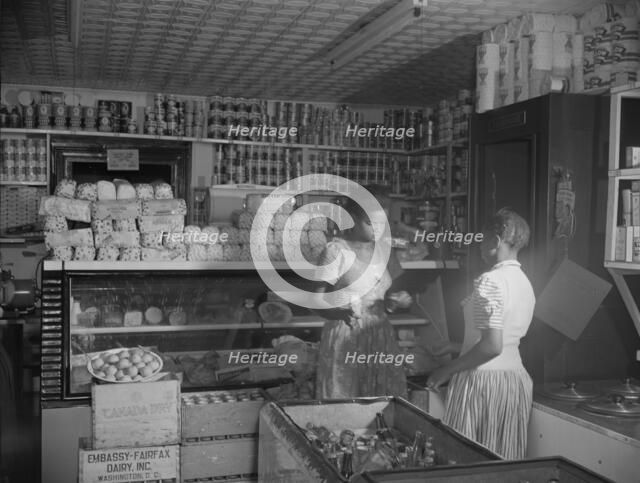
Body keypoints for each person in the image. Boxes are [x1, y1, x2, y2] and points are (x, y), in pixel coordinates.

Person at [427, 208, 535, 460]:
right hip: (513, 381)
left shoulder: (491, 281)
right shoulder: (524, 281)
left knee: (465, 461)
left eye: (481, 238)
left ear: (495, 241)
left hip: (482, 382)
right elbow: (506, 339)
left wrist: (447, 369)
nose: (477, 245)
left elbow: (492, 346)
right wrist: (456, 346)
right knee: (500, 461)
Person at [313, 191, 412, 399]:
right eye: (370, 223)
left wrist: (397, 301)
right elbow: (315, 302)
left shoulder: (385, 251)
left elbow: (388, 296)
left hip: (380, 335)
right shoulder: (336, 252)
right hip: (346, 336)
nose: (378, 229)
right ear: (353, 219)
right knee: (346, 402)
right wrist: (339, 312)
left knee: (382, 403)